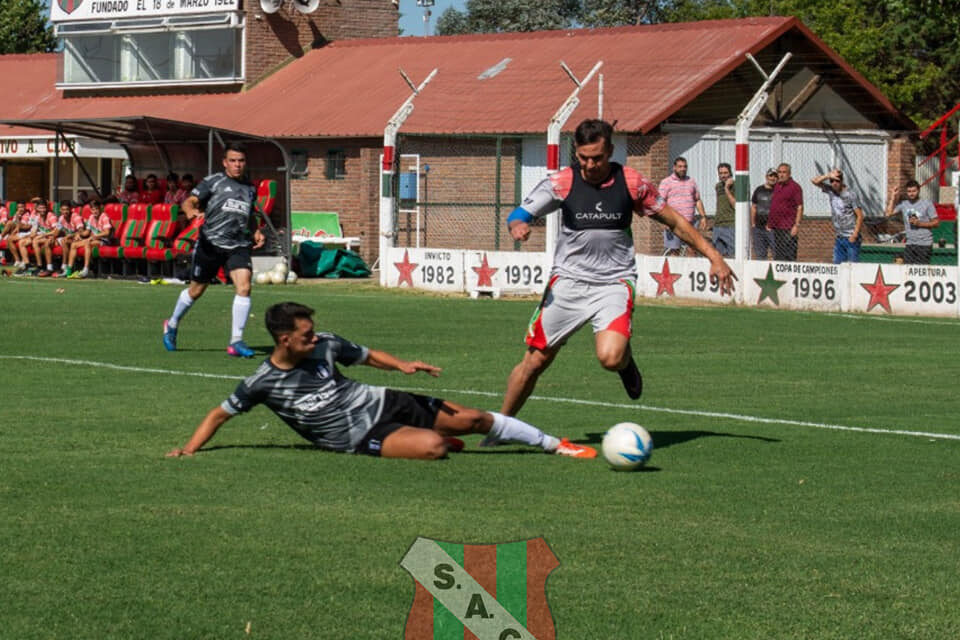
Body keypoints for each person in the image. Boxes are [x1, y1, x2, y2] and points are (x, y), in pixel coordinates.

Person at [500, 119, 735, 417]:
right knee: (535, 362)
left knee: (610, 358)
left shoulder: (632, 183)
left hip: (613, 283)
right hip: (568, 283)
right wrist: (517, 225)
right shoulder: (562, 181)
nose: (590, 164)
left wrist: (715, 257)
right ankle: (501, 425)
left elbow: (675, 221)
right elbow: (520, 213)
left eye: (597, 157)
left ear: (610, 151)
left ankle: (625, 362)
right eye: (583, 158)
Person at [166, 302, 597, 460]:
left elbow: (369, 357)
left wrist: (404, 365)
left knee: (476, 419)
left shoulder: (326, 344)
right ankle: (437, 435)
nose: (315, 338)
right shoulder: (261, 382)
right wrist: (188, 449)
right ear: (285, 340)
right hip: (358, 435)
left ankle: (555, 444)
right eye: (306, 334)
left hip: (385, 400)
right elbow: (218, 415)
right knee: (433, 449)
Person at [162, 143, 265, 358]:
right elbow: (189, 202)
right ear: (225, 162)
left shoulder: (250, 188)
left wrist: (255, 231)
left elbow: (250, 215)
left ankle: (236, 341)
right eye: (233, 161)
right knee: (196, 291)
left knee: (244, 287)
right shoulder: (213, 182)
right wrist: (191, 212)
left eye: (241, 161)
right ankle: (171, 324)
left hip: (238, 245)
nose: (238, 165)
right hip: (210, 243)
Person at [812, 169, 864, 263]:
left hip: (850, 237)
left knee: (853, 266)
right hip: (839, 236)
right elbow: (814, 181)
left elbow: (860, 215)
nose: (834, 183)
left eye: (837, 181)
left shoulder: (850, 194)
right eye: (832, 181)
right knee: (837, 266)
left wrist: (855, 234)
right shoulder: (831, 191)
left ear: (842, 181)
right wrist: (828, 175)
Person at [658, 156, 706, 255]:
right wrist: (664, 221)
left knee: (693, 249)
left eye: (685, 167)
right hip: (674, 224)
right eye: (680, 166)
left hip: (690, 224)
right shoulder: (666, 182)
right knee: (674, 251)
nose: (683, 169)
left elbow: (697, 200)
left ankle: (690, 270)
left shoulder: (691, 182)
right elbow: (660, 203)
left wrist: (703, 217)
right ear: (674, 168)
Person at [885, 180, 939, 264]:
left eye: (914, 191)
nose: (911, 194)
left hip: (924, 243)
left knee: (921, 270)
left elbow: (936, 223)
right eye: (909, 191)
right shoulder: (904, 204)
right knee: (908, 269)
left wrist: (920, 224)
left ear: (918, 190)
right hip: (910, 242)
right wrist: (893, 196)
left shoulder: (927, 204)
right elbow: (888, 213)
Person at [66, 200, 111, 279]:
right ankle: (69, 270)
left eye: (96, 209)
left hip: (104, 241)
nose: (95, 211)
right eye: (93, 209)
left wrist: (94, 236)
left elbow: (107, 233)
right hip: (93, 240)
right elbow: (86, 233)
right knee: (74, 244)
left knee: (87, 243)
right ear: (91, 210)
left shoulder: (104, 217)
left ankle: (86, 269)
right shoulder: (91, 217)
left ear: (100, 208)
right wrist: (79, 234)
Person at [768, 163, 803, 261]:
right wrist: (770, 224)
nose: (781, 175)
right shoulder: (777, 186)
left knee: (789, 257)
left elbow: (800, 207)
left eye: (784, 172)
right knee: (778, 257)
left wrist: (796, 225)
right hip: (776, 227)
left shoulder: (795, 187)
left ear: (789, 173)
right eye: (779, 172)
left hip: (788, 228)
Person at [750, 168, 778, 259]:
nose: (773, 178)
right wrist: (753, 224)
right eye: (771, 175)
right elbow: (754, 207)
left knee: (776, 253)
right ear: (766, 177)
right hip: (758, 228)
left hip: (773, 229)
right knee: (760, 255)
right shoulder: (759, 189)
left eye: (775, 176)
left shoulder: (779, 190)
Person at [712, 163, 736, 257]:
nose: (723, 175)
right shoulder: (718, 186)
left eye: (725, 173)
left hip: (730, 224)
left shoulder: (736, 185)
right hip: (718, 225)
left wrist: (727, 188)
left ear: (730, 173)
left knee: (732, 254)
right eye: (720, 173)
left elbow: (735, 205)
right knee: (718, 255)